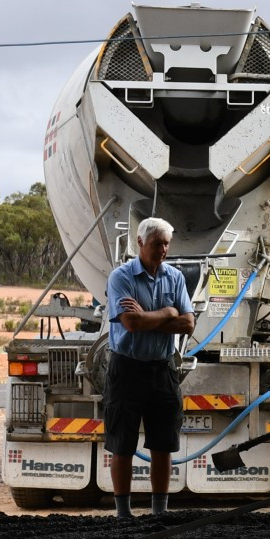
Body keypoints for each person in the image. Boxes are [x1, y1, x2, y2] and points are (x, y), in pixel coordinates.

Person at [104, 217, 196, 517]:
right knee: (122, 443)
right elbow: (131, 323)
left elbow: (187, 324)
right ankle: (123, 514)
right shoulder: (121, 277)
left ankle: (159, 512)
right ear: (140, 243)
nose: (164, 250)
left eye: (167, 244)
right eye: (158, 244)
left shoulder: (175, 277)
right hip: (126, 369)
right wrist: (167, 313)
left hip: (162, 369)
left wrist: (151, 317)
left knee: (163, 442)